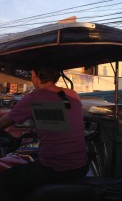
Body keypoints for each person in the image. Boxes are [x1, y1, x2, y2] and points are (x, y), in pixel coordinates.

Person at [0, 67, 88, 201]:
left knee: (4, 181)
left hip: (54, 168)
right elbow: (58, 123)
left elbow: (5, 122)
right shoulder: (72, 94)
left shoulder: (35, 97)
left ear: (35, 75)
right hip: (80, 165)